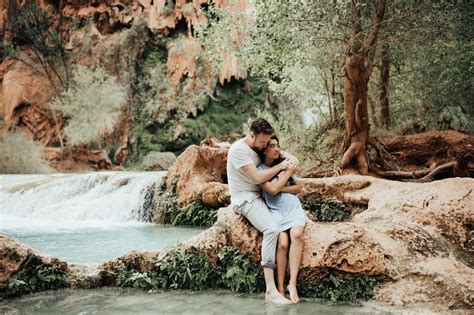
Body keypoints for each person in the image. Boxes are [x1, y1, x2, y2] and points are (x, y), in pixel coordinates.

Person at [226, 118, 299, 304]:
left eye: (268, 143)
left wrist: (286, 160)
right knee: (271, 230)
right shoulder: (239, 151)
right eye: (263, 142)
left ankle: (285, 286)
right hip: (246, 199)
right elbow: (258, 177)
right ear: (251, 135)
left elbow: (294, 160)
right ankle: (271, 290)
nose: (265, 146)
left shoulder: (260, 146)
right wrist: (282, 166)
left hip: (262, 196)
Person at [257, 135, 307, 304]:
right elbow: (271, 191)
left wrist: (282, 188)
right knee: (283, 243)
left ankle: (292, 284)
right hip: (275, 211)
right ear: (264, 149)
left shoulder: (285, 163)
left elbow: (298, 188)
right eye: (272, 146)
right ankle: (279, 287)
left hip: (292, 208)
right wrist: (286, 175)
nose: (276, 149)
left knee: (297, 234)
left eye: (278, 146)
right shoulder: (260, 170)